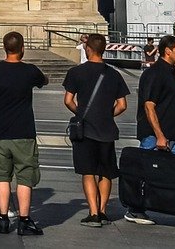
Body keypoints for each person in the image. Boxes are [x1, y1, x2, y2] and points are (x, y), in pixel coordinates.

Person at [0, 30, 48, 237]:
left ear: (4, 48)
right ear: (23, 48)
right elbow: (43, 80)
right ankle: (25, 220)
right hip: (24, 132)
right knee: (25, 176)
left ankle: (2, 219)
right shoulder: (30, 71)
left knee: (1, 176)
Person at [62, 32, 130, 226]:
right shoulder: (113, 74)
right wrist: (107, 115)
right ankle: (103, 211)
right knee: (106, 172)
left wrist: (82, 113)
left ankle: (92, 213)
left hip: (86, 130)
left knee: (88, 171)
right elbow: (122, 105)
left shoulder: (76, 72)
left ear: (88, 48)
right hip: (107, 129)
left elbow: (68, 100)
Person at [124, 34, 175, 226]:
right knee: (147, 173)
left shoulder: (170, 72)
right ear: (168, 51)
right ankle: (135, 209)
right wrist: (160, 135)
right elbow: (149, 106)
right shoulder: (155, 73)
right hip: (157, 136)